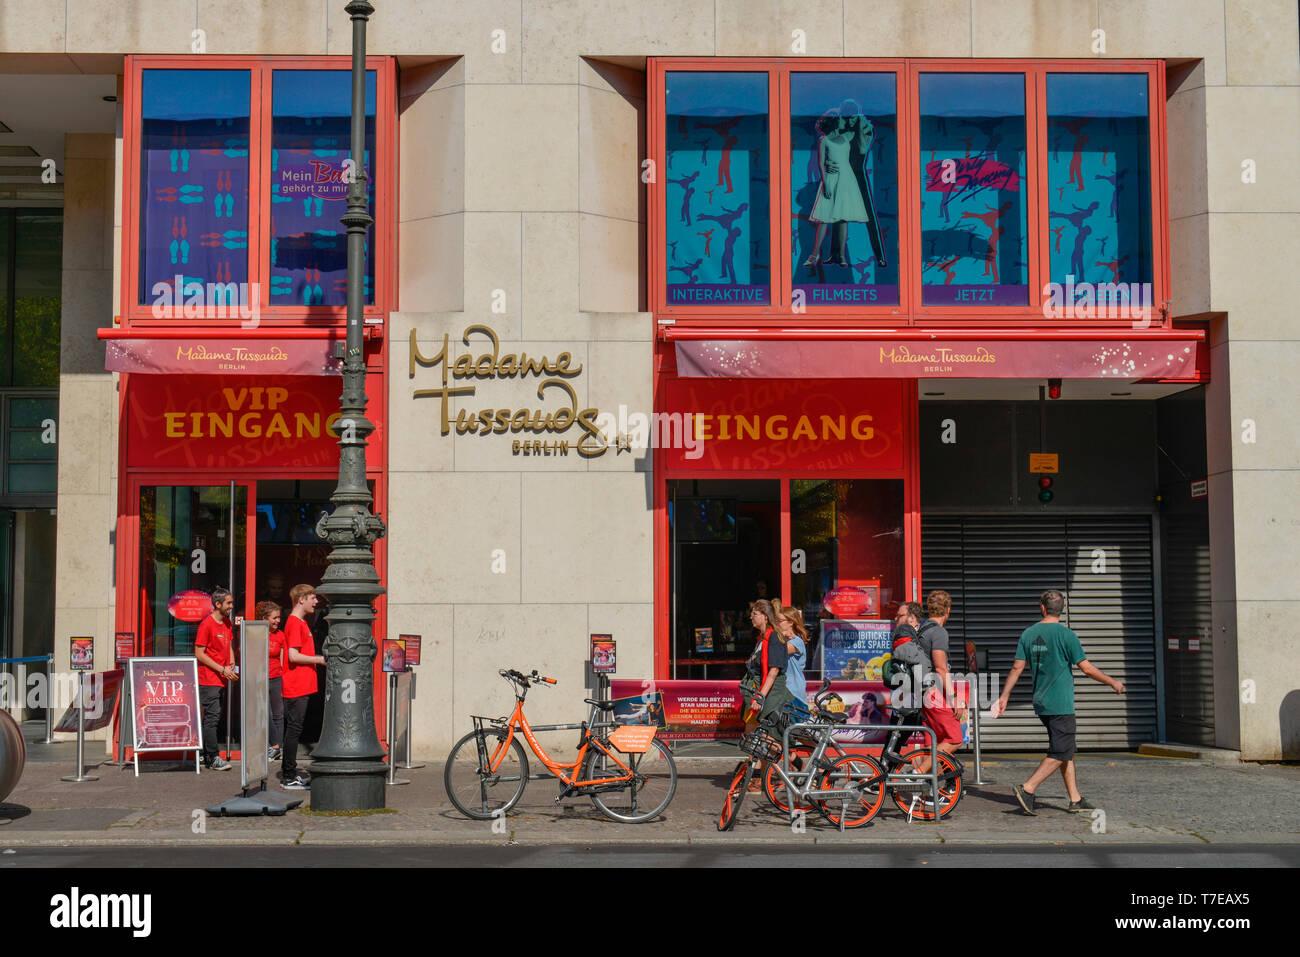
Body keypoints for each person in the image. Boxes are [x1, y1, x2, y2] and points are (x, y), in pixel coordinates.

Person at [990, 589, 1125, 814]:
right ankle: (1028, 788)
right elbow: (1087, 668)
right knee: (1061, 749)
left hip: (1041, 702)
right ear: (1061, 610)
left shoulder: (1028, 634)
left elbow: (1017, 668)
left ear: (1042, 608)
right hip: (1061, 704)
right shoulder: (1067, 635)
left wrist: (1004, 697)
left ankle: (1075, 798)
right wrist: (1112, 682)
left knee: (1065, 750)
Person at [911, 592, 964, 775]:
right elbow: (941, 668)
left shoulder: (922, 629)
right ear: (948, 610)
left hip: (922, 692)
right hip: (935, 693)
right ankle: (915, 775)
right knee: (954, 738)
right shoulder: (939, 632)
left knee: (932, 742)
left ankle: (929, 788)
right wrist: (955, 698)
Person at [740, 599, 789, 792]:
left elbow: (773, 671)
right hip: (757, 689)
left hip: (770, 690)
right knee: (751, 735)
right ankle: (759, 776)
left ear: (765, 616)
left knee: (769, 738)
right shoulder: (762, 638)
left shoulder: (775, 637)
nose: (751, 616)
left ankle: (787, 768)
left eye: (755, 613)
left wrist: (760, 696)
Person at [281, 584, 325, 790]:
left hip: (302, 684)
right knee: (294, 730)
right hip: (296, 684)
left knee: (295, 729)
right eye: (312, 598)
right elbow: (293, 655)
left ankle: (290, 773)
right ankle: (288, 775)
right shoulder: (295, 623)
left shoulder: (300, 622)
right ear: (301, 599)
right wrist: (319, 659)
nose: (316, 602)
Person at [194, 586, 237, 771]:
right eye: (228, 603)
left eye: (232, 602)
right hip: (209, 679)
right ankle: (211, 757)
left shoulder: (227, 623)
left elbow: (229, 646)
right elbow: (199, 653)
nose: (231, 606)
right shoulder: (206, 624)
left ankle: (209, 756)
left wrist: (232, 664)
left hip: (221, 678)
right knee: (211, 718)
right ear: (217, 604)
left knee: (214, 717)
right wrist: (222, 669)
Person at [256, 601, 286, 762]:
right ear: (264, 618)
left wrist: (283, 676)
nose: (277, 621)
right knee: (264, 713)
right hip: (260, 678)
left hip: (276, 676)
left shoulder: (280, 635)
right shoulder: (257, 634)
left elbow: (282, 658)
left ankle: (276, 748)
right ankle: (274, 744)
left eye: (279, 618)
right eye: (274, 618)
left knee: (278, 714)